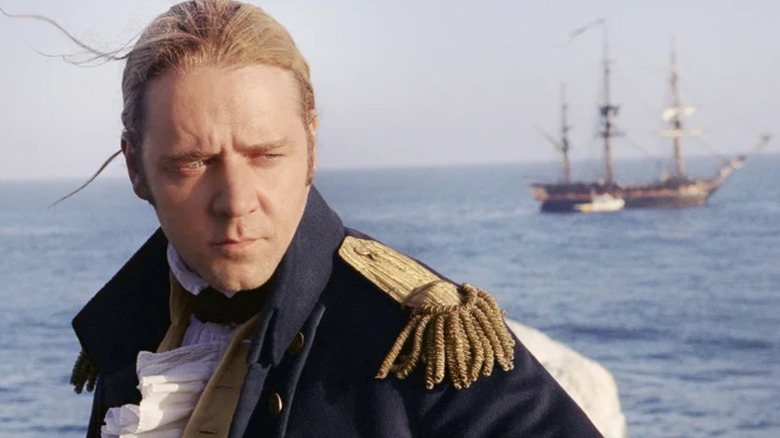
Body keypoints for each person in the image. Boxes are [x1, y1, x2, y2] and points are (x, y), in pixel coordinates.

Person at [68, 1, 603, 436]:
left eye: (266, 155)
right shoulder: (128, 324)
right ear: (137, 168)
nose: (235, 201)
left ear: (312, 148)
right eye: (192, 163)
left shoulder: (422, 337)